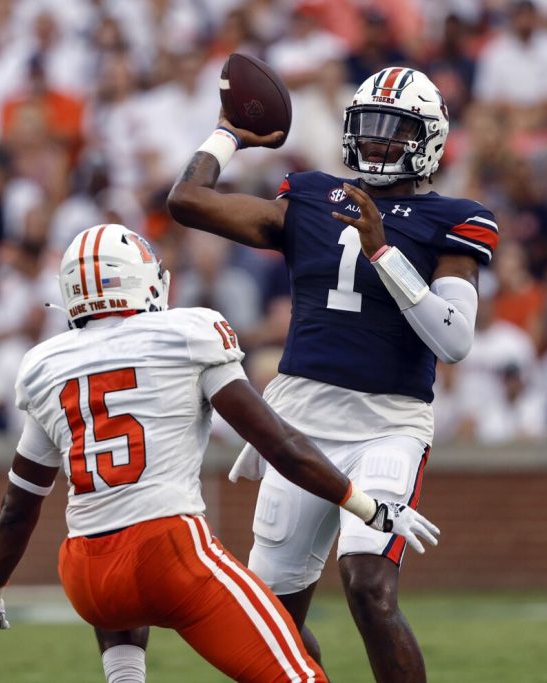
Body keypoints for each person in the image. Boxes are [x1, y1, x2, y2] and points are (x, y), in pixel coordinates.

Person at [0, 224, 439, 683]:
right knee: (301, 675)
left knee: (110, 532)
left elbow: (18, 507)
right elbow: (280, 444)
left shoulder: (44, 365)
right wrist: (366, 506)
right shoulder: (187, 333)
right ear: (143, 282)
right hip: (168, 552)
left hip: (86, 575)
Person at [168, 66, 495, 682]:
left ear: (428, 139)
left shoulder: (455, 217)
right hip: (298, 425)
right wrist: (227, 135)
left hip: (387, 426)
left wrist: (383, 252)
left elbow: (453, 341)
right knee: (272, 622)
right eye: (367, 128)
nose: (375, 143)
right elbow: (187, 201)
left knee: (368, 586)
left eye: (392, 131)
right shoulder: (313, 196)